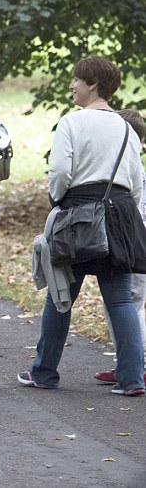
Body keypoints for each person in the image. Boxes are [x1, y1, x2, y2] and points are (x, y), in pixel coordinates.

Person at [19, 58, 145, 396]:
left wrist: (58, 202)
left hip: (77, 213)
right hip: (119, 213)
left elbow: (60, 173)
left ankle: (44, 373)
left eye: (76, 79)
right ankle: (132, 379)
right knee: (119, 300)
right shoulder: (125, 127)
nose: (72, 85)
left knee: (61, 297)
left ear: (92, 84)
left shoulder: (71, 122)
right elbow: (135, 182)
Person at [95, 107, 146, 386]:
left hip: (134, 243)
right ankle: (128, 363)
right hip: (131, 242)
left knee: (130, 303)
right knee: (123, 304)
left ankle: (136, 364)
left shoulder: (130, 171)